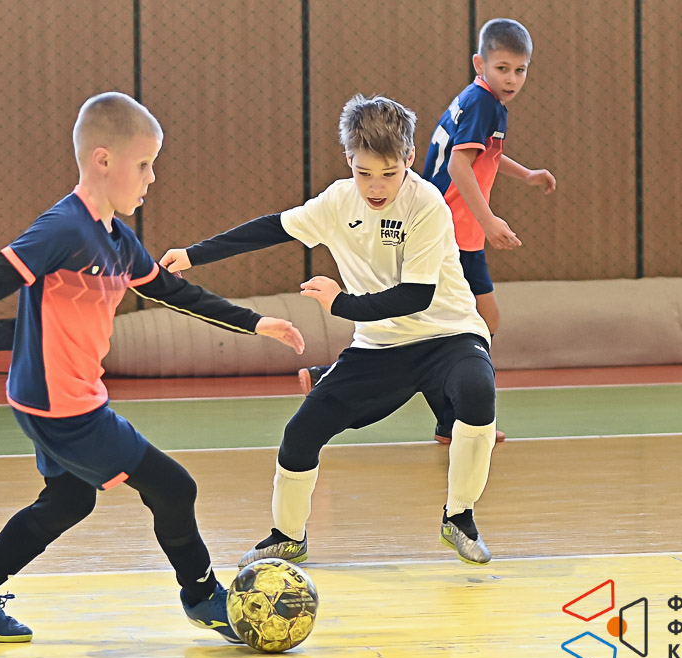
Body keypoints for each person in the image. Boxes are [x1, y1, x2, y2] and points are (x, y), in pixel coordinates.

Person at [0, 92, 305, 644]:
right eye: (143, 164)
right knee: (174, 488)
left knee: (69, 500)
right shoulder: (64, 229)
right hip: (63, 406)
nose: (151, 178)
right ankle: (203, 599)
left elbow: (173, 291)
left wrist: (256, 322)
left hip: (54, 398)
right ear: (103, 160)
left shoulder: (119, 240)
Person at [160, 94, 498, 568]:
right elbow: (272, 228)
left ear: (408, 158)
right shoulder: (338, 201)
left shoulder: (427, 205)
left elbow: (415, 296)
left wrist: (341, 304)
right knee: (301, 433)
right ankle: (287, 536)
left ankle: (459, 518)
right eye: (364, 172)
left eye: (388, 173)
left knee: (478, 391)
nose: (375, 186)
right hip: (380, 345)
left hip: (450, 335)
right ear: (348, 160)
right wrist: (193, 255)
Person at [420, 17, 556, 443]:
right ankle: (465, 416)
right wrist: (488, 219)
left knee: (450, 322)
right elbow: (459, 164)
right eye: (502, 68)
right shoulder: (484, 103)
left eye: (520, 70)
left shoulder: (481, 99)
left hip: (455, 232)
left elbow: (484, 154)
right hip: (451, 233)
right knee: (477, 321)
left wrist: (526, 174)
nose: (512, 78)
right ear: (480, 63)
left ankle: (454, 418)